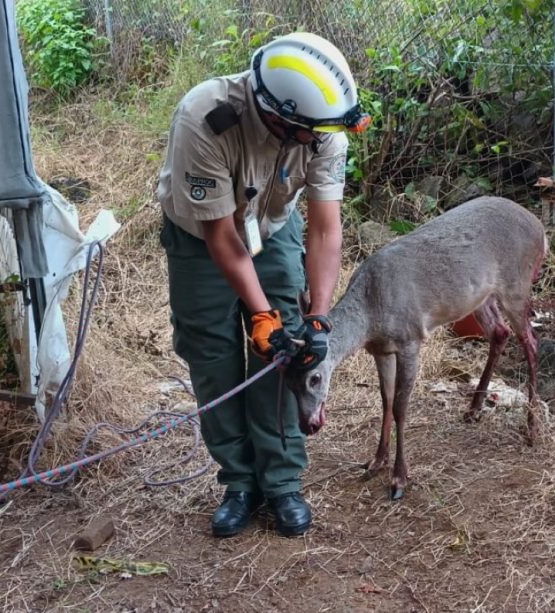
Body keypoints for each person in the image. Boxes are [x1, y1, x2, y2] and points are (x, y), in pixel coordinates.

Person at [155, 32, 369, 538]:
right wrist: (258, 314)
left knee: (287, 349)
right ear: (278, 117)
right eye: (310, 133)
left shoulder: (325, 129)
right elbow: (223, 237)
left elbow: (324, 228)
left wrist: (318, 316)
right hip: (200, 235)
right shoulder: (204, 118)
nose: (320, 140)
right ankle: (239, 482)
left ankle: (282, 480)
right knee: (212, 355)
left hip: (272, 228)